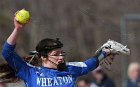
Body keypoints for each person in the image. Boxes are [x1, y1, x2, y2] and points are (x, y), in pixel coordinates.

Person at [2, 15, 118, 87]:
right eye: (56, 54)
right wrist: (17, 29)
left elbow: (90, 64)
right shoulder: (30, 72)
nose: (61, 57)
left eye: (61, 53)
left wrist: (105, 52)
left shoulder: (70, 68)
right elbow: (7, 52)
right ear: (43, 57)